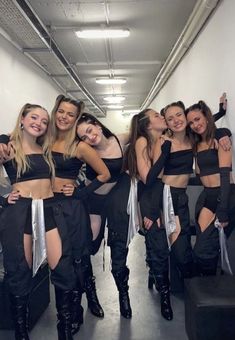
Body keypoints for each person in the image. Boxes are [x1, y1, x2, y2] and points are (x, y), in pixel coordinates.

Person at [0, 103, 76, 340]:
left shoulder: (45, 147)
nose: (40, 124)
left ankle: (64, 331)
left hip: (50, 208)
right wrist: (3, 199)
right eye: (34, 117)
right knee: (20, 272)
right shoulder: (8, 147)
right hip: (21, 212)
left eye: (44, 121)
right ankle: (21, 333)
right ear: (22, 118)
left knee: (63, 269)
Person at [44, 95, 110, 332]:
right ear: (55, 111)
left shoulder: (80, 145)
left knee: (77, 260)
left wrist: (80, 191)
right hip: (48, 205)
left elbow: (104, 174)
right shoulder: (45, 138)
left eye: (70, 114)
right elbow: (15, 138)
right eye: (61, 111)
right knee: (60, 262)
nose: (64, 117)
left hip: (71, 208)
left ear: (76, 118)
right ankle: (76, 308)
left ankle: (80, 306)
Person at [147, 93, 230, 280]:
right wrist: (153, 211)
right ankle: (193, 286)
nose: (176, 120)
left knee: (191, 246)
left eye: (179, 115)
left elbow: (206, 126)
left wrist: (222, 129)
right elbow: (155, 178)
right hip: (167, 196)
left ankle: (198, 286)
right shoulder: (164, 141)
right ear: (166, 123)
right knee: (180, 252)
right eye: (170, 118)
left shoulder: (192, 138)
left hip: (182, 197)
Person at [76, 113, 133, 319]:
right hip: (94, 202)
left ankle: (123, 296)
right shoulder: (84, 151)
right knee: (88, 246)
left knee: (119, 245)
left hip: (115, 199)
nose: (90, 137)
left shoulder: (120, 138)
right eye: (83, 136)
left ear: (98, 126)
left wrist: (220, 130)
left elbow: (144, 129)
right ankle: (91, 295)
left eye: (90, 130)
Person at [123, 108, 173, 321]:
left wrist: (222, 130)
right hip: (151, 198)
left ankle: (153, 270)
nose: (162, 117)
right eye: (157, 116)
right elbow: (148, 178)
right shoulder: (142, 141)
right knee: (160, 247)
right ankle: (165, 297)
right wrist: (167, 149)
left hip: (167, 195)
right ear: (147, 124)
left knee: (161, 246)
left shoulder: (162, 139)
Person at [185, 100, 235, 276]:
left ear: (206, 117)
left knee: (203, 249)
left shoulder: (220, 141)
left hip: (224, 195)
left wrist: (223, 210)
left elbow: (225, 177)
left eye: (198, 119)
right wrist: (221, 112)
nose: (195, 125)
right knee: (202, 244)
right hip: (206, 196)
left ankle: (210, 287)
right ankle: (206, 287)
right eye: (191, 122)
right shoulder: (196, 143)